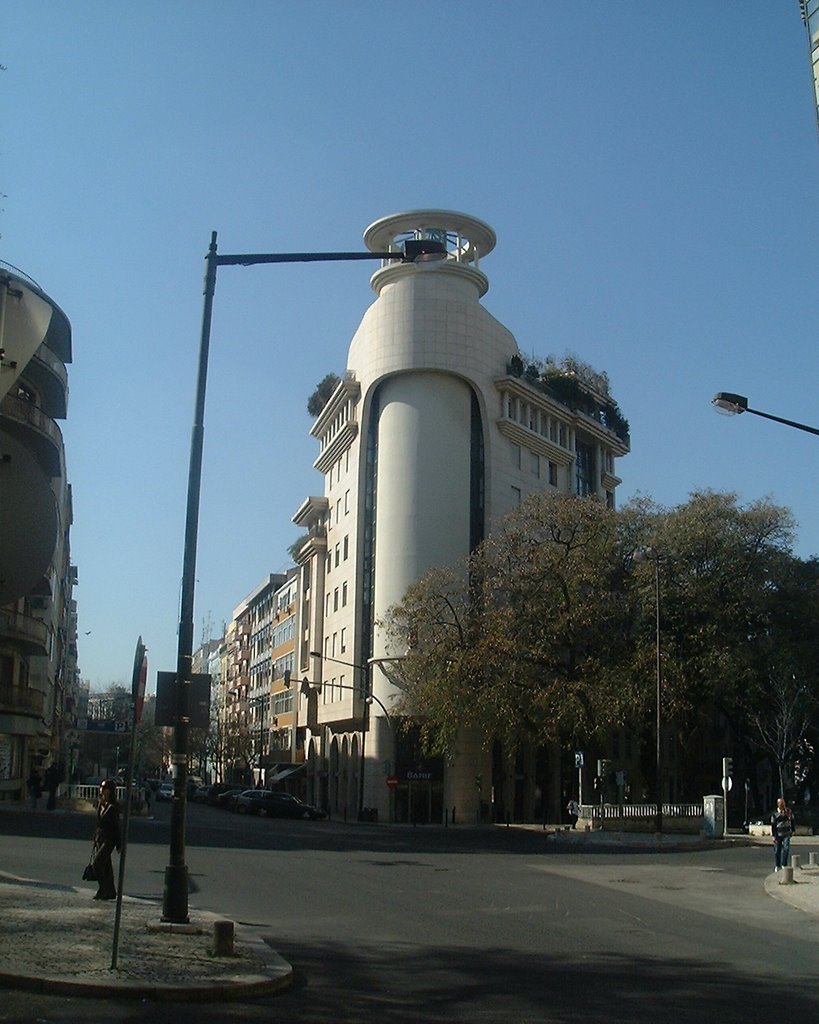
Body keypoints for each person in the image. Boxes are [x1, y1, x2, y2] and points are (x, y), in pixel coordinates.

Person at [91, 779, 121, 900]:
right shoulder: (100, 804)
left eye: (104, 788)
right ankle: (111, 891)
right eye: (101, 787)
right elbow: (99, 823)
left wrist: (119, 844)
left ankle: (103, 888)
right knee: (106, 866)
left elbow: (117, 827)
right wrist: (95, 837)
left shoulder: (113, 807)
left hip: (109, 839)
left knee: (97, 864)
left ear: (110, 791)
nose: (101, 790)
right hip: (100, 838)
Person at [771, 796, 794, 872]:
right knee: (778, 850)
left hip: (786, 833)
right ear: (778, 804)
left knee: (786, 848)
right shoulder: (775, 814)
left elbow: (792, 820)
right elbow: (773, 826)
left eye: (783, 803)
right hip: (778, 834)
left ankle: (784, 864)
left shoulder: (788, 811)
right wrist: (774, 836)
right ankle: (777, 865)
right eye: (781, 803)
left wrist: (792, 830)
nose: (782, 805)